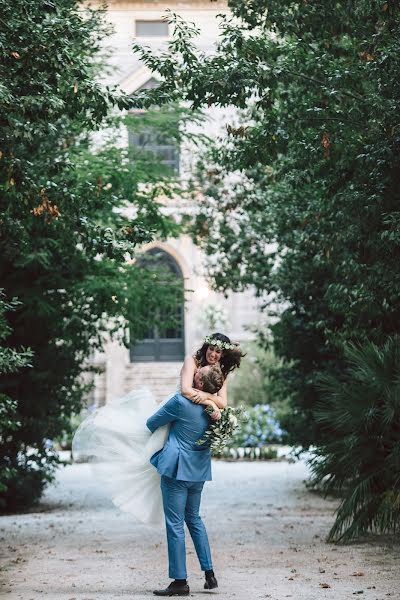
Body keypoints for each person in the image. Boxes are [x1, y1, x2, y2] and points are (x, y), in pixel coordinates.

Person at [146, 333, 245, 596]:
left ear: (200, 380)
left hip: (176, 467)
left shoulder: (181, 401)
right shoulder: (216, 415)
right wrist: (210, 402)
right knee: (194, 519)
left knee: (175, 523)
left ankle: (180, 582)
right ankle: (209, 573)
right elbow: (219, 402)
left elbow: (151, 423)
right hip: (199, 469)